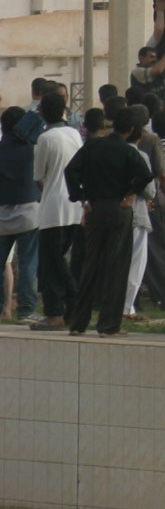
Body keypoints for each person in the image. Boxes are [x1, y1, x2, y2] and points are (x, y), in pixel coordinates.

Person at [61, 107, 154, 336]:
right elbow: (145, 176)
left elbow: (71, 171)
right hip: (119, 209)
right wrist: (131, 192)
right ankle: (108, 325)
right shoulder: (128, 152)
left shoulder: (93, 146)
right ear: (132, 130)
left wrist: (82, 198)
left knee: (89, 265)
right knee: (117, 268)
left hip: (94, 208)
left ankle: (78, 322)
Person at [32, 92, 84, 325]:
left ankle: (55, 313)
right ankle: (73, 309)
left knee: (52, 264)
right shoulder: (74, 133)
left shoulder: (45, 138)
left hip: (53, 208)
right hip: (75, 205)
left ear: (42, 112)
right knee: (63, 261)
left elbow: (39, 176)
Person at [0, 110, 40, 324]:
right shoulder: (31, 150)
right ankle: (26, 310)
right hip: (28, 210)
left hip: (2, 213)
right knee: (28, 264)